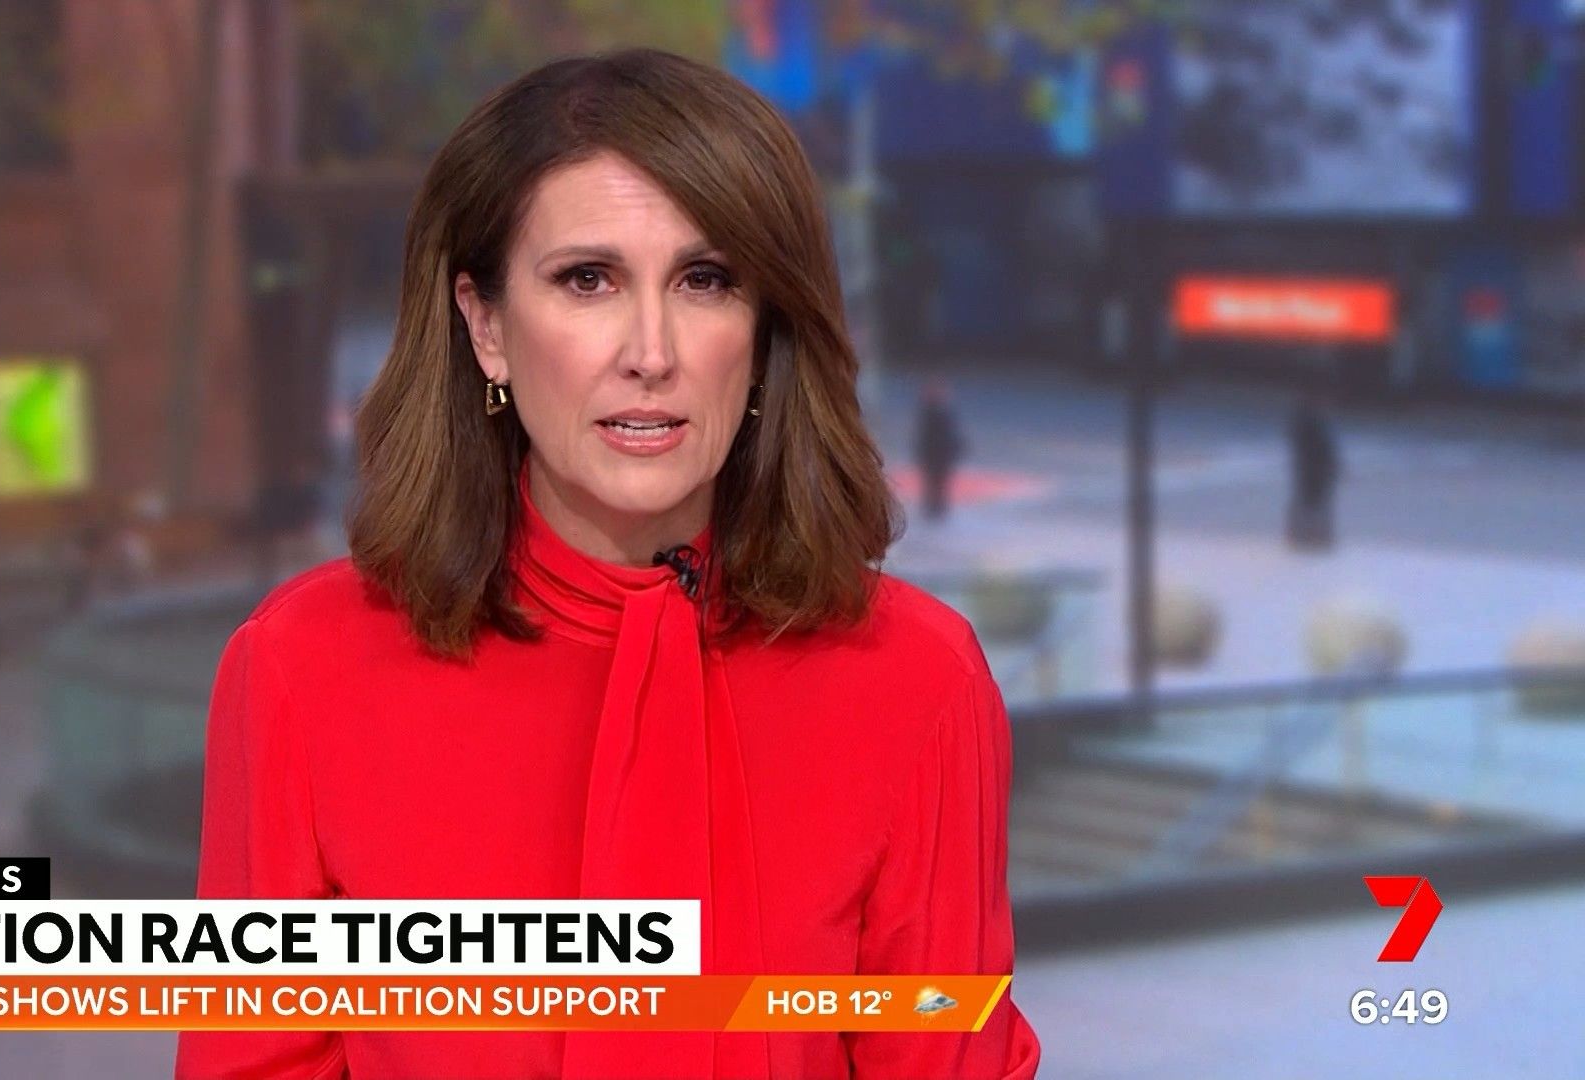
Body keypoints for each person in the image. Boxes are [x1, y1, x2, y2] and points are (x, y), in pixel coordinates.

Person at [176, 49, 1039, 1080]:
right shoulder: (302, 670)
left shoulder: (917, 682)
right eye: (587, 280)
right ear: (486, 326)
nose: (651, 352)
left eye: (705, 281)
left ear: (764, 329)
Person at [1286, 386, 1341, 551]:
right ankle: (1307, 534)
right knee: (1311, 500)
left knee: (1312, 499)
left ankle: (1310, 534)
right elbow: (1314, 446)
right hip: (1312, 466)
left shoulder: (1313, 419)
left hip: (1314, 466)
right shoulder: (1309, 420)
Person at [916, 375, 967, 522]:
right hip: (934, 453)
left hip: (940, 454)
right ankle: (934, 508)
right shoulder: (931, 413)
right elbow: (926, 435)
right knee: (933, 481)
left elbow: (949, 434)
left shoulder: (940, 412)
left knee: (939, 482)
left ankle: (937, 508)